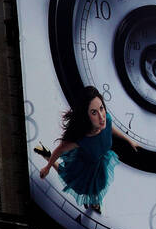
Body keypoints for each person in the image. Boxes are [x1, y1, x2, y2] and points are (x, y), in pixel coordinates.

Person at [38, 86, 138, 215]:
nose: (101, 116)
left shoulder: (106, 119)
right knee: (74, 182)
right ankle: (48, 157)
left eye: (101, 108)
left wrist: (129, 140)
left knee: (99, 185)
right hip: (84, 167)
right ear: (86, 116)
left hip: (100, 164)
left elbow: (110, 129)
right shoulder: (81, 139)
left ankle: (95, 202)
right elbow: (60, 149)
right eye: (94, 112)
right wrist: (47, 167)